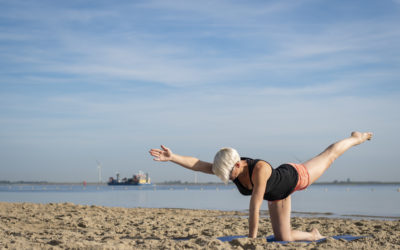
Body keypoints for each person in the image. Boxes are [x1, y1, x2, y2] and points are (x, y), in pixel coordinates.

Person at [149, 131, 373, 241]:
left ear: (238, 164)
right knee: (284, 239)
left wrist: (252, 239)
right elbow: (198, 165)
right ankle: (314, 235)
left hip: (296, 176)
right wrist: (172, 157)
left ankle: (356, 138)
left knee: (329, 155)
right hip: (278, 196)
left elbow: (255, 206)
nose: (227, 177)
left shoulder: (260, 169)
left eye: (229, 173)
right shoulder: (229, 167)